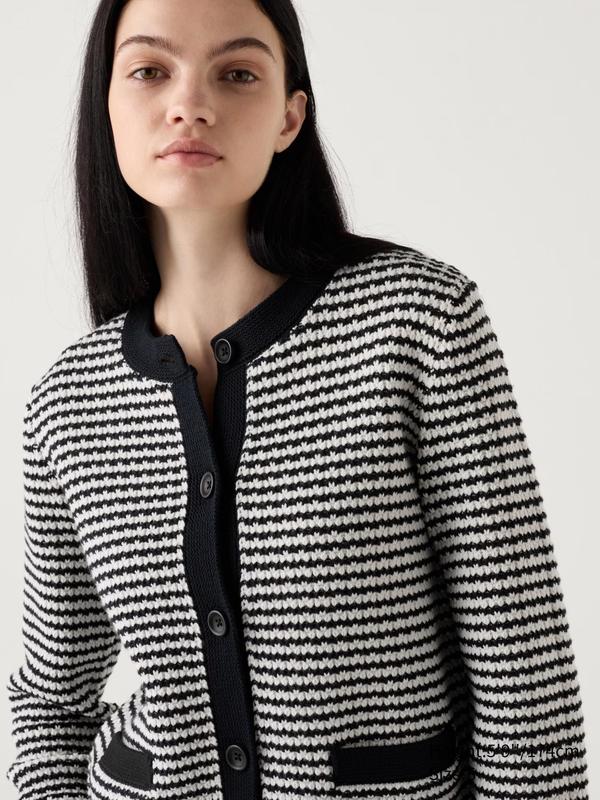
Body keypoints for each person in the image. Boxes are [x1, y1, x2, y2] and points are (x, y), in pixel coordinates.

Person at [5, 0, 590, 799]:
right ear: (106, 107)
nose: (189, 103)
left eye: (236, 73)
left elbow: (524, 677)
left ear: (290, 116)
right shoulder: (68, 400)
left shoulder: (418, 324)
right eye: (149, 70)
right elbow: (51, 699)